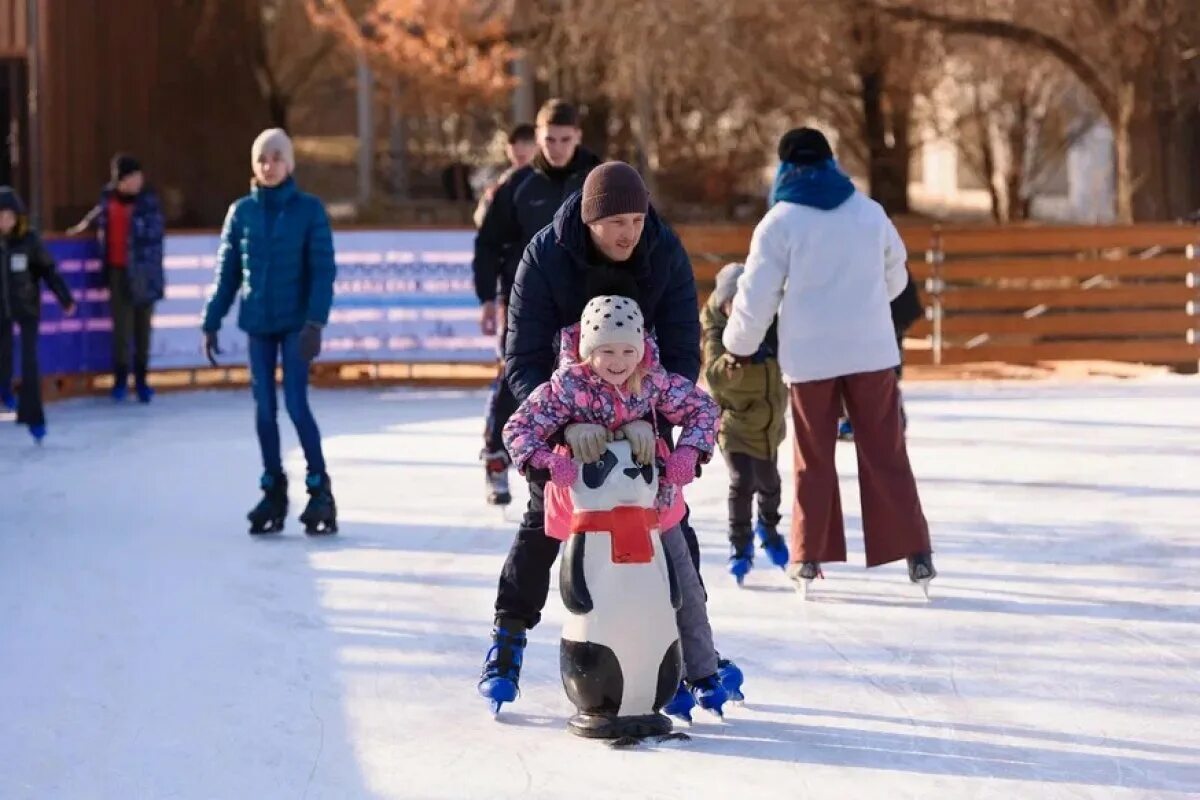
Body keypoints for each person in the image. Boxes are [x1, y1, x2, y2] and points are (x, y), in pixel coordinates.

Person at [479, 161, 745, 709]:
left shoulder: (662, 251)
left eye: (637, 218)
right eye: (617, 221)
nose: (629, 231)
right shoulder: (546, 256)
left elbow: (679, 353)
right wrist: (565, 424)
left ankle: (688, 651)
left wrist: (650, 425)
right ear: (590, 218)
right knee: (543, 521)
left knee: (671, 528)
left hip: (643, 414)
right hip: (564, 413)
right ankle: (508, 637)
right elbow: (522, 359)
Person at [721, 127, 935, 594]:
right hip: (871, 352)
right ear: (831, 162)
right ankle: (916, 552)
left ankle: (808, 556)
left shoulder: (779, 222)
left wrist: (737, 346)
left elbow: (755, 297)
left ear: (784, 167)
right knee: (886, 451)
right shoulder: (868, 212)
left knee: (813, 459)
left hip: (811, 359)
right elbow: (897, 279)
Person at [498, 296, 729, 719]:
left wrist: (688, 453)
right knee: (599, 595)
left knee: (681, 587)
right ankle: (605, 671)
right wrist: (550, 460)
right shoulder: (567, 387)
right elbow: (517, 428)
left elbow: (704, 409)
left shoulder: (651, 379)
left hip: (653, 507)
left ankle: (699, 672)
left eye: (628, 350)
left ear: (641, 348)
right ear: (588, 350)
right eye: (606, 351)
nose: (618, 361)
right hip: (590, 515)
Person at [201, 128, 339, 536]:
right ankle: (272, 488)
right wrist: (211, 320)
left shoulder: (309, 210)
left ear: (290, 163)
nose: (269, 165)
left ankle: (319, 490)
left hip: (296, 324)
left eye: (277, 158)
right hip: (259, 324)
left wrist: (315, 322)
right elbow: (227, 274)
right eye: (262, 159)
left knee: (296, 405)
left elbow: (322, 270)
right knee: (264, 409)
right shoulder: (241, 212)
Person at [473, 100, 602, 506]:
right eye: (549, 139)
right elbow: (489, 243)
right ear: (539, 137)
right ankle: (498, 455)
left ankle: (585, 464)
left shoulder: (598, 178)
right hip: (525, 301)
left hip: (583, 304)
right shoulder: (518, 185)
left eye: (566, 139)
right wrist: (487, 299)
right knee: (519, 378)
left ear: (578, 136)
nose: (558, 147)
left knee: (587, 383)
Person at [701, 262, 789, 584]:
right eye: (731, 304)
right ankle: (740, 547)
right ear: (723, 306)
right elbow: (713, 376)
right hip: (734, 426)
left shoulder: (772, 332)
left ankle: (768, 525)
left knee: (769, 482)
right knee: (741, 482)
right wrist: (732, 361)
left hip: (768, 427)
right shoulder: (718, 336)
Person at [68, 154, 166, 403]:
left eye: (138, 176)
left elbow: (155, 232)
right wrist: (80, 229)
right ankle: (121, 379)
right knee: (121, 329)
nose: (137, 181)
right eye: (132, 177)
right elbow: (97, 218)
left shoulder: (148, 202)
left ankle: (142, 380)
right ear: (120, 180)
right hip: (117, 271)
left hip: (144, 272)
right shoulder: (108, 200)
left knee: (142, 329)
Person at [0, 187, 76, 442]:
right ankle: (4, 391)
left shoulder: (29, 240)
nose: (4, 222)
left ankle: (34, 416)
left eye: (8, 217)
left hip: (27, 307)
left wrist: (65, 298)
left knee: (30, 361)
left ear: (17, 217)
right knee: (4, 352)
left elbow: (48, 271)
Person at [837, 269, 923, 440]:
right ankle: (859, 418)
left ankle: (891, 419)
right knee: (864, 369)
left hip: (888, 310)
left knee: (882, 370)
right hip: (880, 310)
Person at [472, 123, 537, 228]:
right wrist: (491, 201)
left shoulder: (546, 178)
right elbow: (480, 219)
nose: (519, 148)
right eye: (513, 144)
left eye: (526, 143)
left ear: (538, 146)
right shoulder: (502, 180)